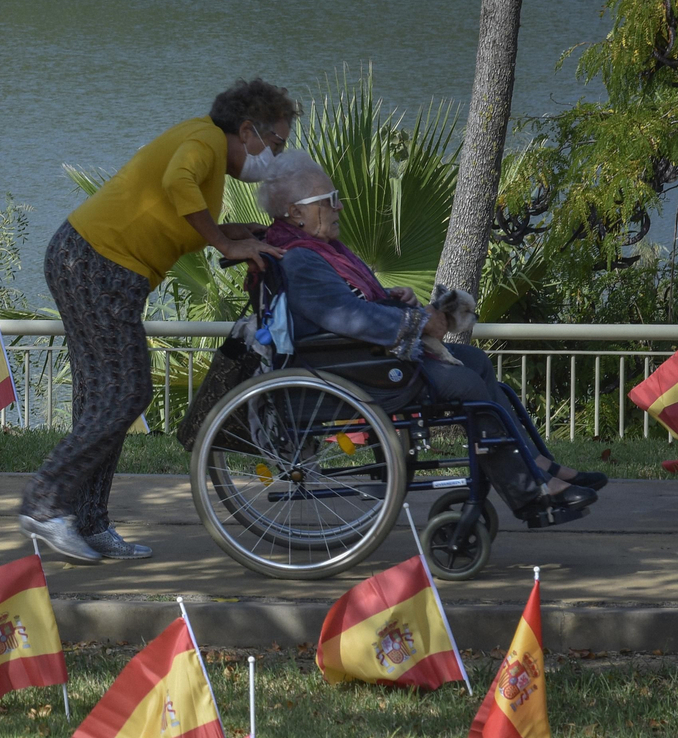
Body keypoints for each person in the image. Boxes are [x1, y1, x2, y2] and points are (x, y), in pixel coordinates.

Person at [19, 79, 299, 564]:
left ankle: (89, 523)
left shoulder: (205, 149)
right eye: (276, 144)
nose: (276, 155)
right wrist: (225, 244)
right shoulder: (207, 141)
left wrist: (238, 232)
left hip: (90, 262)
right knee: (129, 392)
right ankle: (45, 502)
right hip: (95, 264)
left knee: (101, 400)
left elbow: (174, 215)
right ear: (248, 130)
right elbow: (176, 183)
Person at [254, 149, 605, 521]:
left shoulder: (317, 249)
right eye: (329, 201)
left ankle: (537, 465)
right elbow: (346, 316)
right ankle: (528, 488)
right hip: (349, 367)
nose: (339, 207)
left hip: (362, 357)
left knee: (477, 362)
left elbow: (349, 302)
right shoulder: (299, 258)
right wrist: (418, 323)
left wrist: (391, 298)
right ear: (295, 212)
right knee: (467, 385)